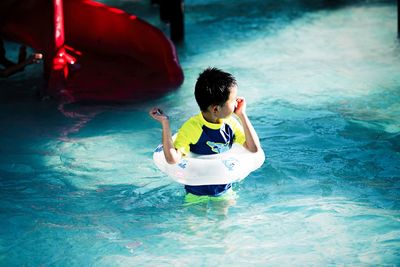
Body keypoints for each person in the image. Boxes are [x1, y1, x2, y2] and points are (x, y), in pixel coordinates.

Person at [149, 67, 261, 199]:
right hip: (196, 193)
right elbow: (172, 159)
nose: (237, 102)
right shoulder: (192, 128)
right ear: (215, 109)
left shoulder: (230, 124)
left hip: (224, 190)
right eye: (232, 100)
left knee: (224, 219)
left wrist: (242, 115)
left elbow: (253, 148)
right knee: (195, 219)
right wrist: (165, 123)